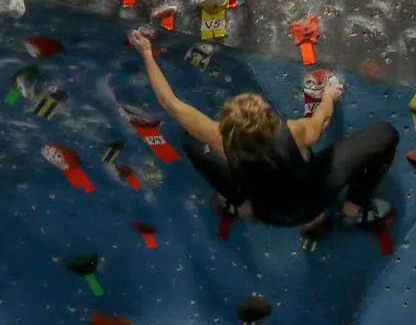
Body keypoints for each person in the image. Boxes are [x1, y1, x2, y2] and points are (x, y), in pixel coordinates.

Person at [126, 28, 397, 234]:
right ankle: (352, 208)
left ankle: (241, 205)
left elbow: (171, 104)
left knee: (191, 142)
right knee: (386, 134)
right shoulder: (295, 132)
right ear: (269, 119)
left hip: (267, 212)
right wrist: (328, 95)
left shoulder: (221, 140)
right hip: (315, 197)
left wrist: (146, 54)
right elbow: (321, 119)